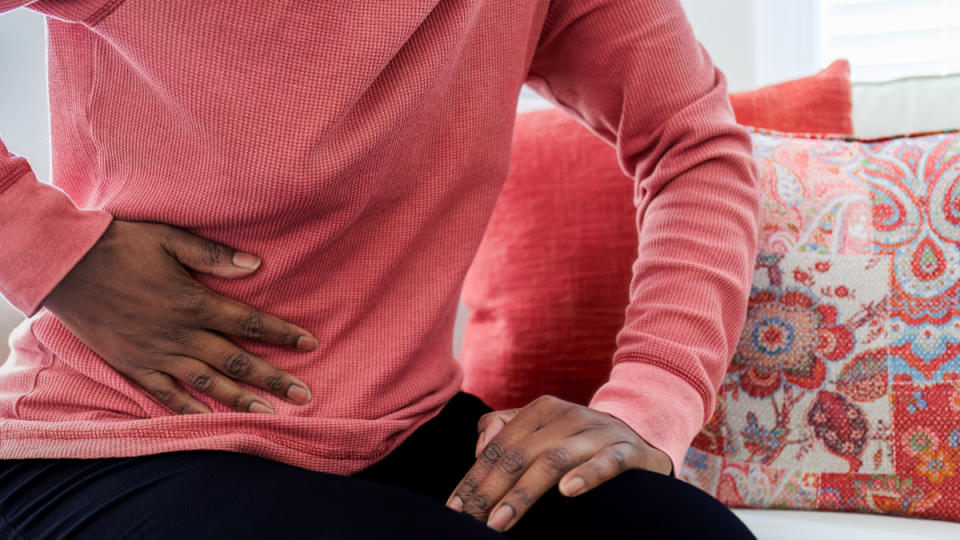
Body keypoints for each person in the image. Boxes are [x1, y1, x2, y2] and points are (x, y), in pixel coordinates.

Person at [0, 1, 759, 538]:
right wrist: (54, 252)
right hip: (112, 443)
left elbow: (692, 145)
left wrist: (651, 400)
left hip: (402, 432)